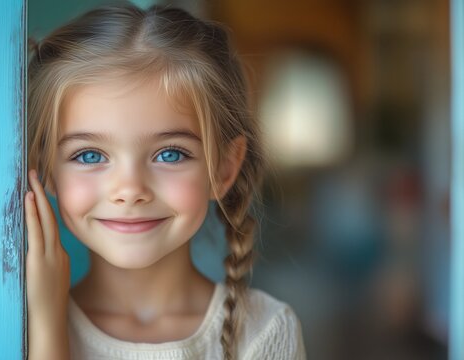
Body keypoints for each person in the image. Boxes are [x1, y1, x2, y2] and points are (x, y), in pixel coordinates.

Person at [23, 3, 306, 359]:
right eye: (89, 155)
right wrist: (48, 327)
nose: (129, 190)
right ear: (45, 168)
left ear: (224, 169)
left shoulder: (265, 332)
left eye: (169, 154)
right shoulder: (19, 327)